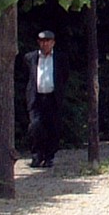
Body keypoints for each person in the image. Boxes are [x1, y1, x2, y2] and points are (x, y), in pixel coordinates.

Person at [22, 29, 64, 169]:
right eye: (42, 41)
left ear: (53, 43)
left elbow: (64, 76)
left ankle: (49, 156)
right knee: (35, 126)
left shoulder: (60, 58)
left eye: (48, 41)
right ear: (39, 42)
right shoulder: (30, 58)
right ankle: (36, 155)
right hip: (36, 98)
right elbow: (26, 76)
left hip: (52, 98)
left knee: (53, 128)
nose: (45, 44)